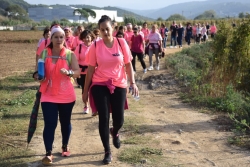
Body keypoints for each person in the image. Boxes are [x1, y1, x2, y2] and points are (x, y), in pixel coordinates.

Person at [82, 15, 139, 164]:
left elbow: (128, 64)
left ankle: (115, 131)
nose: (105, 32)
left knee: (119, 119)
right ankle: (107, 151)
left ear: (113, 28)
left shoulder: (121, 43)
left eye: (107, 29)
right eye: (102, 30)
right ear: (99, 31)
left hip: (119, 84)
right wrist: (85, 91)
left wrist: (132, 82)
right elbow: (90, 70)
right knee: (104, 118)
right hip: (100, 84)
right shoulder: (95, 46)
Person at [36, 25, 80, 165]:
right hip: (48, 94)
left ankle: (65, 146)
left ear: (64, 38)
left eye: (61, 37)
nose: (59, 39)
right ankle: (48, 153)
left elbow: (77, 71)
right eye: (56, 37)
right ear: (51, 38)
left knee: (65, 122)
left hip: (66, 95)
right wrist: (38, 76)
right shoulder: (44, 53)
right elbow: (36, 72)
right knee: (50, 123)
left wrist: (69, 73)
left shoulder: (69, 54)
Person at [74, 30, 95, 114]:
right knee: (85, 89)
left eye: (88, 37)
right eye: (84, 37)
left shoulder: (95, 46)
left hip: (94, 72)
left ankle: (94, 107)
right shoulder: (79, 47)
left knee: (94, 90)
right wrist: (76, 72)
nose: (86, 39)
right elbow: (75, 60)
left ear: (91, 37)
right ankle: (86, 106)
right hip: (83, 73)